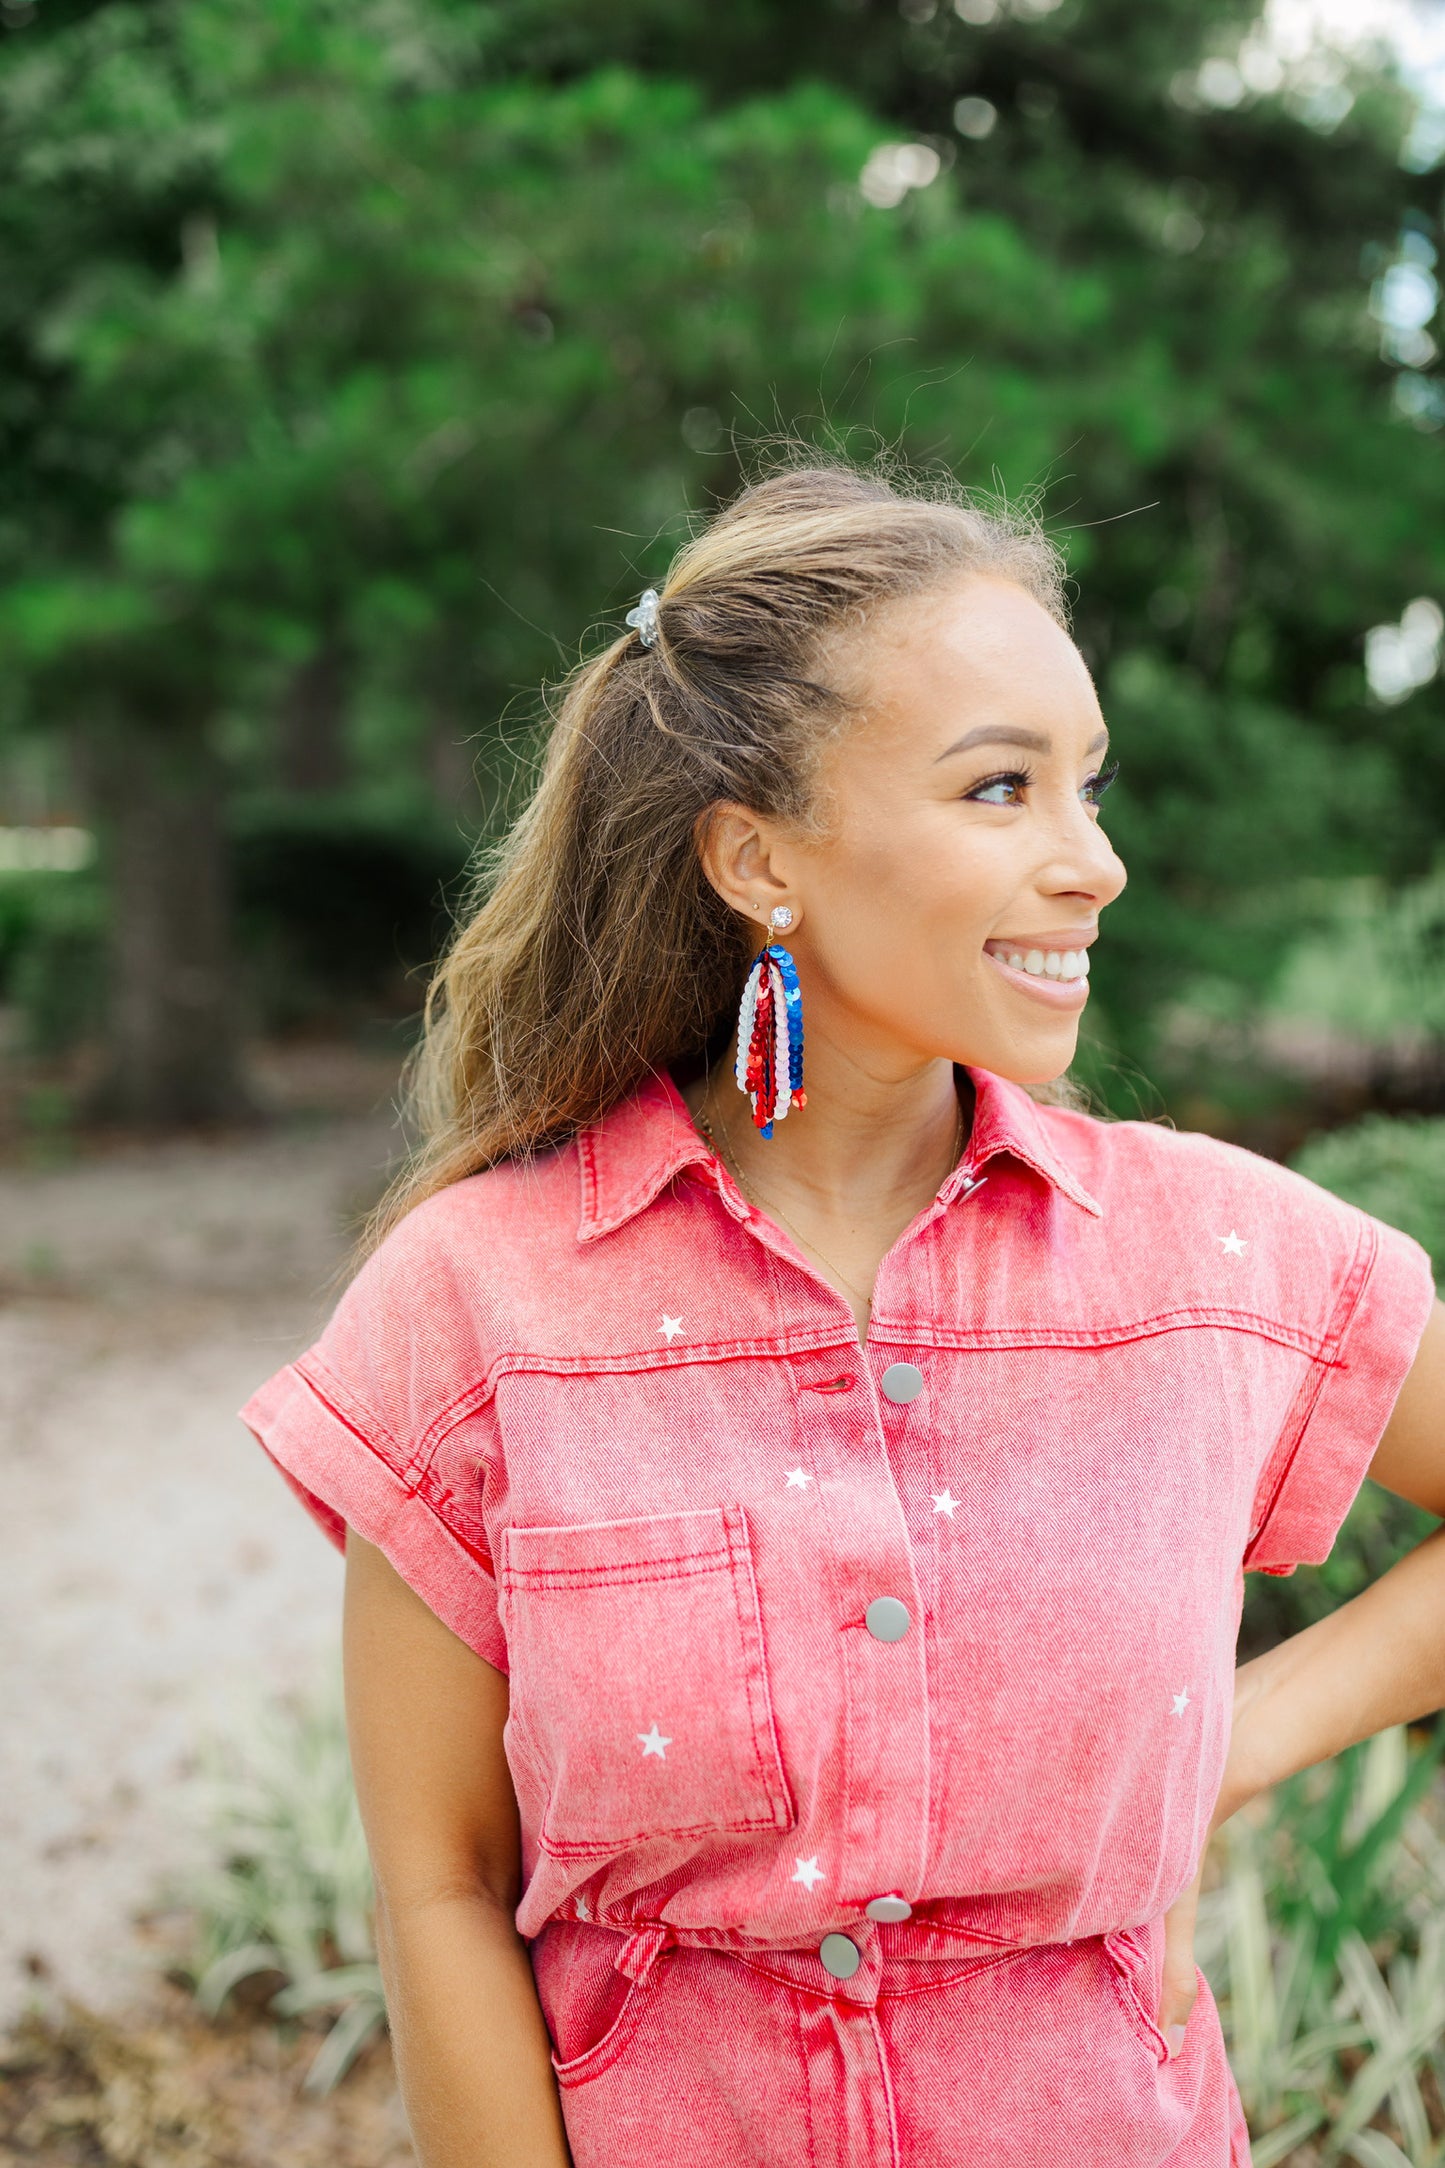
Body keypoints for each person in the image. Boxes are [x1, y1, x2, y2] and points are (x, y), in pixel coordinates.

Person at [238, 457, 1445, 2167]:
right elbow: (441, 1881)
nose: (1093, 863)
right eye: (1000, 788)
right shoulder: (478, 1301)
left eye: (1089, 787)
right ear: (755, 857)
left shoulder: (1218, 1257)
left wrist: (1237, 1749)